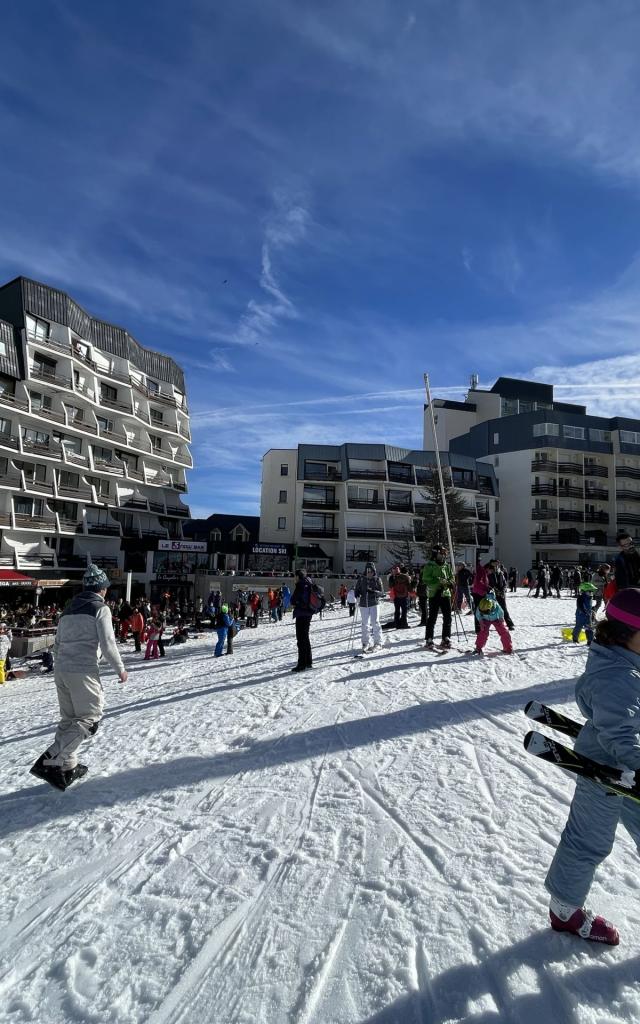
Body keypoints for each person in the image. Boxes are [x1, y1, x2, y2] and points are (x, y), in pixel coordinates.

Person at [543, 588, 640, 946]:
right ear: (629, 634)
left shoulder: (622, 661)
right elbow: (622, 735)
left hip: (627, 769)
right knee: (588, 842)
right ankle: (565, 911)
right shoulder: (617, 678)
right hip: (604, 770)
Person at [30, 565, 127, 791]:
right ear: (101, 588)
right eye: (105, 588)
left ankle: (67, 767)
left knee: (69, 719)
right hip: (82, 669)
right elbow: (108, 643)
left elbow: (58, 644)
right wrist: (120, 669)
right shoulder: (100, 608)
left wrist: (58, 668)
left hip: (62, 669)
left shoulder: (68, 609)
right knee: (89, 719)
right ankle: (52, 758)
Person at [422, 547, 454, 650]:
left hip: (445, 593)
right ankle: (429, 638)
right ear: (435, 554)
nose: (443, 556)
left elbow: (451, 578)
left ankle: (446, 637)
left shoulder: (446, 565)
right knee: (432, 617)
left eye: (445, 554)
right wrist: (438, 581)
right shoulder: (429, 565)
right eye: (441, 554)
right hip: (434, 593)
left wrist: (449, 583)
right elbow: (425, 579)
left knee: (448, 616)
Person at [471, 591, 513, 656]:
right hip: (485, 619)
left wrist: (501, 619)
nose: (484, 613)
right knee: (483, 632)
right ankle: (478, 647)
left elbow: (501, 612)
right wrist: (481, 621)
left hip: (496, 618)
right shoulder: (481, 605)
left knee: (504, 631)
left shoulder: (496, 606)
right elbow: (478, 614)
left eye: (486, 612)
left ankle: (508, 647)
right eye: (483, 612)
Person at [354, 562, 384, 652]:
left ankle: (378, 643)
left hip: (374, 603)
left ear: (374, 571)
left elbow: (382, 593)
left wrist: (374, 592)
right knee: (365, 624)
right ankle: (365, 642)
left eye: (371, 571)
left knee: (375, 622)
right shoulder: (361, 579)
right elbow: (357, 590)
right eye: (367, 571)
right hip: (363, 604)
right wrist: (357, 594)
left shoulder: (377, 579)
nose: (369, 573)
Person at [290, 569, 315, 672]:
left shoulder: (300, 585)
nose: (294, 578)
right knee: (305, 638)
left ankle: (301, 664)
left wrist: (296, 601)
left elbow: (293, 600)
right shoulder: (308, 583)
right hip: (308, 613)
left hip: (302, 614)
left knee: (301, 640)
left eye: (294, 576)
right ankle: (308, 661)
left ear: (298, 576)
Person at [487, 558, 515, 631]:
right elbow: (487, 583)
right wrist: (491, 589)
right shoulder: (488, 572)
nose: (497, 565)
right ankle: (486, 626)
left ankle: (510, 624)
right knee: (490, 610)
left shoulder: (500, 572)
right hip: (491, 594)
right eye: (495, 563)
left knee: (503, 609)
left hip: (500, 593)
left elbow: (504, 583)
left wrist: (503, 590)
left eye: (497, 564)